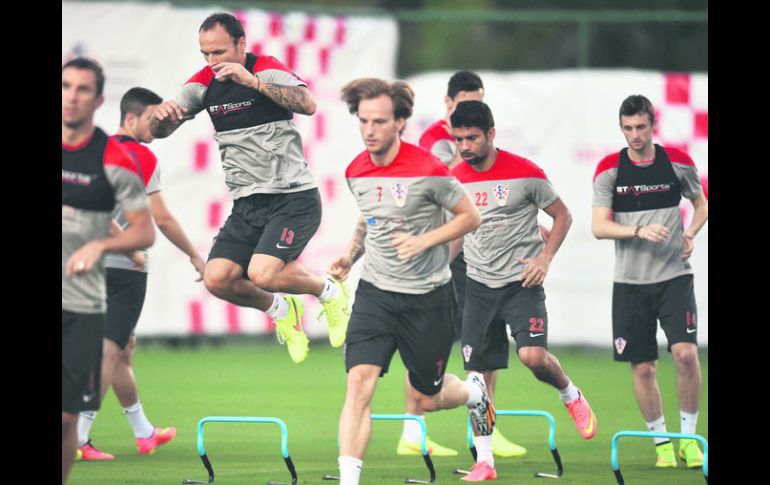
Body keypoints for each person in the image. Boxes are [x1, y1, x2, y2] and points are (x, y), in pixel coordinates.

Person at [149, 12, 349, 363]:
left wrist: (254, 83)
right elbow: (161, 131)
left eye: (219, 52)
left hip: (292, 197)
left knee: (262, 272)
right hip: (247, 205)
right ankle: (281, 310)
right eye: (205, 53)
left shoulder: (265, 68)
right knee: (216, 279)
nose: (212, 61)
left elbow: (308, 104)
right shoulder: (202, 84)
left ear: (241, 44)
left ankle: (329, 292)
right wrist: (160, 119)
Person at [328, 78, 491, 485]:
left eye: (379, 121)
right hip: (375, 294)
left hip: (427, 299)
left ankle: (474, 392)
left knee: (427, 398)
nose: (369, 130)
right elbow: (371, 218)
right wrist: (350, 255)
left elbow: (470, 217)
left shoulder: (429, 170)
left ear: (400, 122)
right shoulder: (355, 171)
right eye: (364, 121)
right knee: (358, 385)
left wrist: (424, 240)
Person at [450, 100, 598, 481]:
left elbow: (563, 215)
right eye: (459, 139)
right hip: (478, 286)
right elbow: (457, 231)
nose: (464, 147)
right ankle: (485, 461)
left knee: (533, 357)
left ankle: (569, 393)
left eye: (472, 138)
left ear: (491, 134)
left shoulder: (525, 173)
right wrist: (439, 269)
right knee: (478, 379)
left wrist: (545, 258)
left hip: (521, 283)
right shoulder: (455, 177)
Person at [397, 71, 526, 459]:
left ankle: (484, 429)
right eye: (464, 104)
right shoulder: (437, 140)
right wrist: (464, 144)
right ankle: (412, 428)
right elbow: (445, 183)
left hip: (477, 256)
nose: (470, 113)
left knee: (487, 346)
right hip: (446, 253)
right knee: (427, 340)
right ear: (448, 103)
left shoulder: (478, 142)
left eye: (478, 104)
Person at [75, 87, 207, 461]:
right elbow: (161, 218)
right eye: (153, 117)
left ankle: (144, 432)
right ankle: (78, 437)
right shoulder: (140, 156)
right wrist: (194, 256)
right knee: (109, 348)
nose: (158, 123)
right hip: (122, 268)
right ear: (131, 117)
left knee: (123, 347)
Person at [591, 94, 708, 469]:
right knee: (643, 367)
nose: (635, 135)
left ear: (653, 125)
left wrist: (690, 233)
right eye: (628, 128)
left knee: (686, 354)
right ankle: (662, 446)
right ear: (621, 128)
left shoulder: (678, 162)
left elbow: (701, 204)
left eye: (641, 127)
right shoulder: (609, 169)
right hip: (630, 284)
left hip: (674, 277)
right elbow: (598, 226)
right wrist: (638, 231)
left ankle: (689, 440)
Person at [62, 58, 155, 483]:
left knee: (67, 418)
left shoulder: (115, 158)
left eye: (82, 89)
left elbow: (144, 231)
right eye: (65, 86)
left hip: (85, 292)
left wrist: (102, 242)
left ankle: (96, 435)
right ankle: (142, 430)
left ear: (99, 100)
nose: (72, 97)